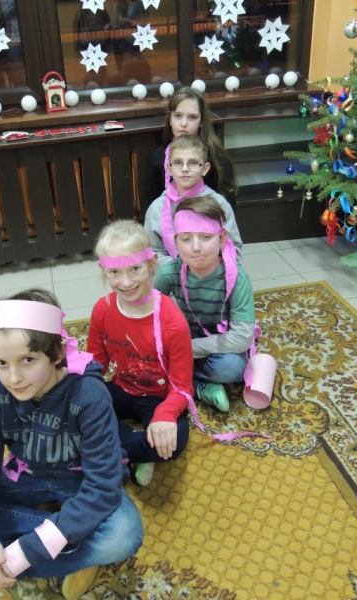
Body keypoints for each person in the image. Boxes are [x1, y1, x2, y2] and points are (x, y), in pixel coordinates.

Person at [0, 288, 143, 598]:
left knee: (123, 536)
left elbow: (102, 486)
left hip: (80, 484)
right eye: (1, 363)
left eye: (28, 360)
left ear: (57, 354)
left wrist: (23, 554)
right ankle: (71, 549)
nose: (13, 378)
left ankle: (4, 558)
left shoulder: (89, 395)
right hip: (24, 477)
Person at [87, 220, 193, 487]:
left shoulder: (172, 321)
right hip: (121, 389)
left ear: (151, 264)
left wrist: (165, 415)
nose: (126, 283)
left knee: (176, 441)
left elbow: (182, 388)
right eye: (114, 272)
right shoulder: (102, 309)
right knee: (71, 404)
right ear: (103, 270)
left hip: (159, 397)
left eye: (135, 269)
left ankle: (106, 448)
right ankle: (134, 449)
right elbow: (95, 365)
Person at [154, 196, 255, 413]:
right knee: (146, 353)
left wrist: (189, 349)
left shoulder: (238, 279)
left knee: (233, 368)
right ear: (175, 241)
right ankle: (194, 382)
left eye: (206, 237)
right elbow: (149, 314)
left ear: (222, 238)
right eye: (186, 239)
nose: (196, 247)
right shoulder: (169, 272)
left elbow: (242, 337)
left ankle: (186, 380)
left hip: (219, 345)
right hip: (183, 338)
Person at [144, 133, 242, 266]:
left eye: (193, 163)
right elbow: (153, 253)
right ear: (169, 168)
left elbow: (233, 248)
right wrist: (182, 268)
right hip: (172, 275)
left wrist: (207, 269)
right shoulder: (157, 209)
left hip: (213, 273)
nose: (185, 169)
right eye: (178, 163)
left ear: (205, 169)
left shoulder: (219, 204)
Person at [143, 86, 237, 211]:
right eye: (178, 116)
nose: (183, 124)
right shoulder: (158, 157)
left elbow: (228, 208)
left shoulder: (216, 158)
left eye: (192, 117)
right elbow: (149, 208)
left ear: (201, 122)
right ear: (170, 119)